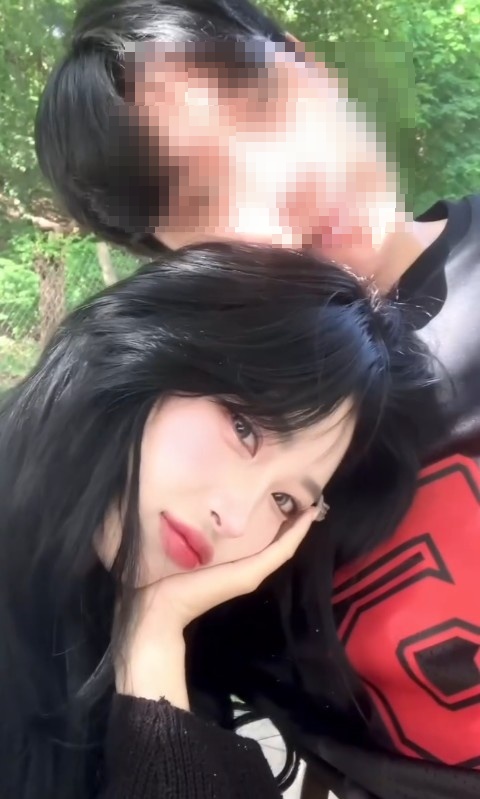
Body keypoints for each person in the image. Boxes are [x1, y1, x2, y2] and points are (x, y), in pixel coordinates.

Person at [34, 2, 480, 797]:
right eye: (203, 199)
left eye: (260, 109)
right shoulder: (207, 487)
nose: (283, 185)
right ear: (179, 264)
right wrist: (150, 635)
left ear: (311, 67)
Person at [0, 243, 431, 799]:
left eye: (285, 501)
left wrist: (151, 646)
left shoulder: (179, 658)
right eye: (244, 428)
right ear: (147, 346)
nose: (234, 517)